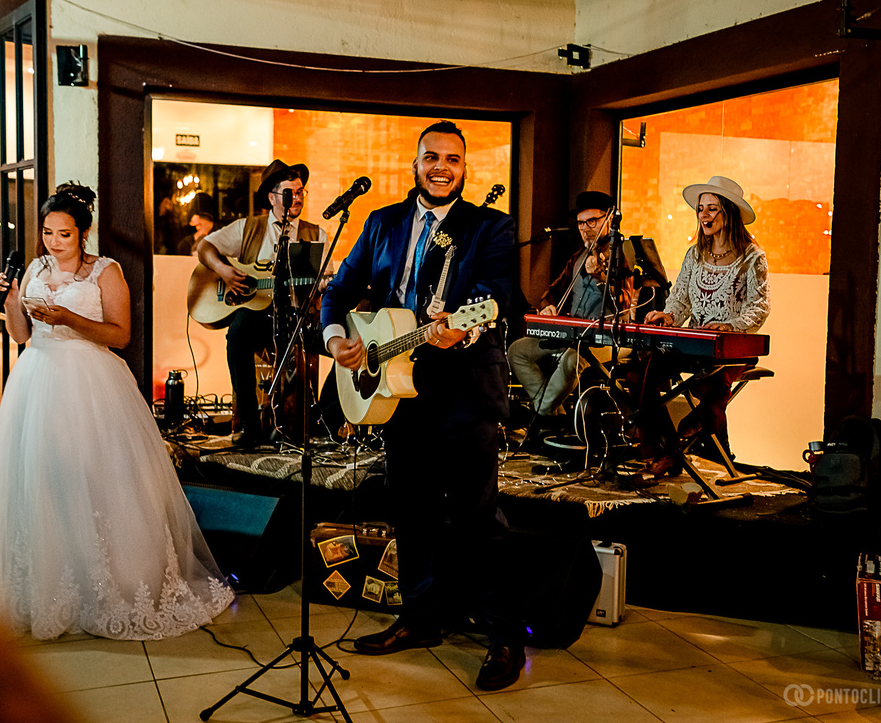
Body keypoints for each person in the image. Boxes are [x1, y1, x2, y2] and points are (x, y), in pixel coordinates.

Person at [0, 183, 233, 640]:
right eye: (48, 233)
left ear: (83, 233)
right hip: (37, 380)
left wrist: (68, 318)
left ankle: (118, 580)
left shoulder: (105, 271)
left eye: (65, 234)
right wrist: (14, 303)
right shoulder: (34, 268)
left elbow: (121, 335)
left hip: (91, 382)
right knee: (44, 480)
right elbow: (21, 336)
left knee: (96, 477)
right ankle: (50, 583)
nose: (54, 242)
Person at [321, 120, 526, 691]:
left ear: (465, 167)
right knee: (410, 511)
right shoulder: (381, 223)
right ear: (414, 164)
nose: (441, 167)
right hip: (396, 393)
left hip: (466, 391)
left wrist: (458, 329)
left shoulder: (490, 227)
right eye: (431, 157)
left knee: (476, 516)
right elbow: (339, 291)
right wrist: (337, 337)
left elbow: (495, 297)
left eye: (452, 159)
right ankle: (419, 619)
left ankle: (503, 635)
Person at [637, 176, 770, 477]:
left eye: (712, 208)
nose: (704, 215)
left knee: (713, 380)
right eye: (701, 209)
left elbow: (760, 307)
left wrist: (730, 327)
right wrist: (668, 316)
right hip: (696, 342)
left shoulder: (752, 257)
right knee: (647, 369)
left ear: (729, 213)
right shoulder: (694, 254)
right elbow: (680, 300)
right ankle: (668, 447)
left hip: (732, 347)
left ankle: (701, 427)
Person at [196, 160, 327, 447]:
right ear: (272, 197)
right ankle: (249, 425)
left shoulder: (315, 234)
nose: (298, 198)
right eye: (290, 192)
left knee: (337, 341)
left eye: (302, 191)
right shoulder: (247, 228)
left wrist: (323, 286)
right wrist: (224, 271)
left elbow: (320, 283)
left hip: (294, 314)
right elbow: (204, 248)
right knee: (238, 334)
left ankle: (313, 424)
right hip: (258, 315)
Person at [507, 191, 636, 446]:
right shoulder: (577, 258)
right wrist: (548, 306)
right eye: (581, 223)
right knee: (517, 351)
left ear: (609, 219)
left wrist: (601, 277)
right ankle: (553, 416)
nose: (586, 229)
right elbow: (552, 291)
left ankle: (541, 418)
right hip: (574, 334)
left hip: (611, 340)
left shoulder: (623, 254)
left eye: (592, 222)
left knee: (572, 358)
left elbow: (624, 300)